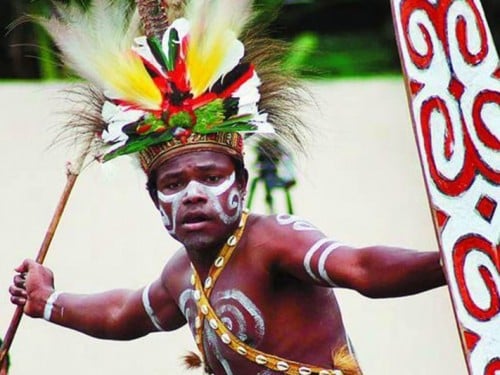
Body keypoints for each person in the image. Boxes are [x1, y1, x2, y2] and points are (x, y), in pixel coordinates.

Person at [7, 1, 446, 374]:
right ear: (155, 201)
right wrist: (46, 301)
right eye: (174, 184)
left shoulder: (273, 239)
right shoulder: (180, 274)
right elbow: (124, 314)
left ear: (242, 183)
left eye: (212, 177)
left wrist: (452, 263)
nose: (194, 194)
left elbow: (361, 268)